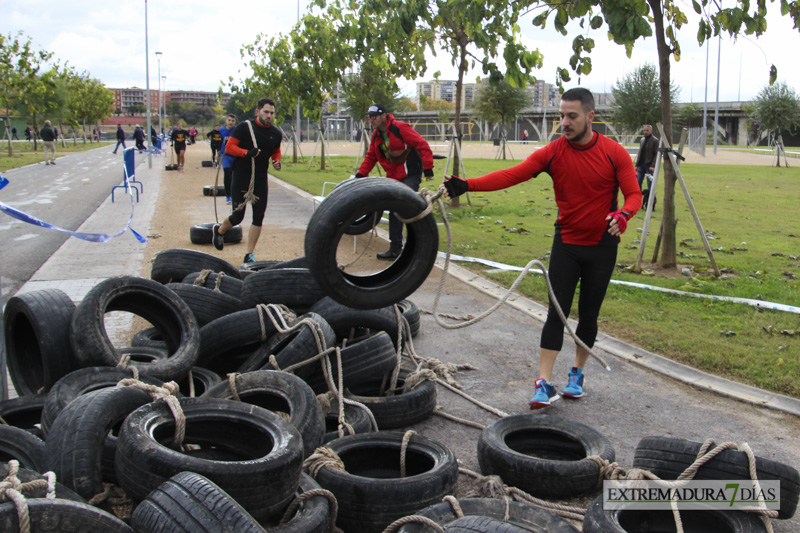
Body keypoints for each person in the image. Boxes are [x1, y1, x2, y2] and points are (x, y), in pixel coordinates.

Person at [442, 88, 642, 409]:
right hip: (566, 244)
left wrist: (623, 214)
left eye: (571, 116)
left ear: (590, 117)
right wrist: (468, 185)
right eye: (560, 116)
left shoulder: (613, 152)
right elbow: (511, 175)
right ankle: (544, 383)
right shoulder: (553, 152)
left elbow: (634, 194)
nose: (564, 122)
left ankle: (577, 374)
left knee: (589, 315)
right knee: (556, 313)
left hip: (602, 247)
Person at [355, 103, 435, 259]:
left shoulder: (400, 128)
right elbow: (371, 157)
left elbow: (422, 144)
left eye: (374, 116)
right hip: (393, 176)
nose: (371, 119)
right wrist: (360, 175)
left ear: (384, 115)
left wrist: (428, 168)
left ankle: (419, 246)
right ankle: (395, 248)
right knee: (394, 209)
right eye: (369, 117)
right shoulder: (376, 136)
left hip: (410, 174)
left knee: (407, 207)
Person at [213, 98, 283, 264]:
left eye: (272, 113)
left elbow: (276, 150)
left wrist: (276, 161)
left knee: (259, 216)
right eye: (266, 112)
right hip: (242, 176)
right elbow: (229, 147)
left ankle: (249, 254)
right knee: (238, 216)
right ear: (257, 111)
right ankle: (220, 231)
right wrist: (246, 153)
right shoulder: (245, 128)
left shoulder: (275, 133)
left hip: (260, 178)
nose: (269, 116)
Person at [635, 124, 659, 191]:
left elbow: (656, 154)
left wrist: (653, 166)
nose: (645, 132)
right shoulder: (642, 140)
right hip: (641, 165)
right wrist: (636, 165)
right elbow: (640, 153)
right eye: (644, 130)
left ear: (651, 131)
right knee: (638, 182)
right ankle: (638, 198)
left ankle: (650, 198)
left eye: (647, 130)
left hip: (649, 165)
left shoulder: (655, 140)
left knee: (650, 183)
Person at [219, 114, 237, 203]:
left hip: (234, 155)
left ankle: (234, 194)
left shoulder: (237, 130)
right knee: (227, 173)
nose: (231, 122)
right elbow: (219, 142)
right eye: (229, 120)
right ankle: (228, 195)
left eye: (232, 121)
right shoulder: (221, 130)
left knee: (234, 175)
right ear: (226, 120)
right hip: (225, 155)